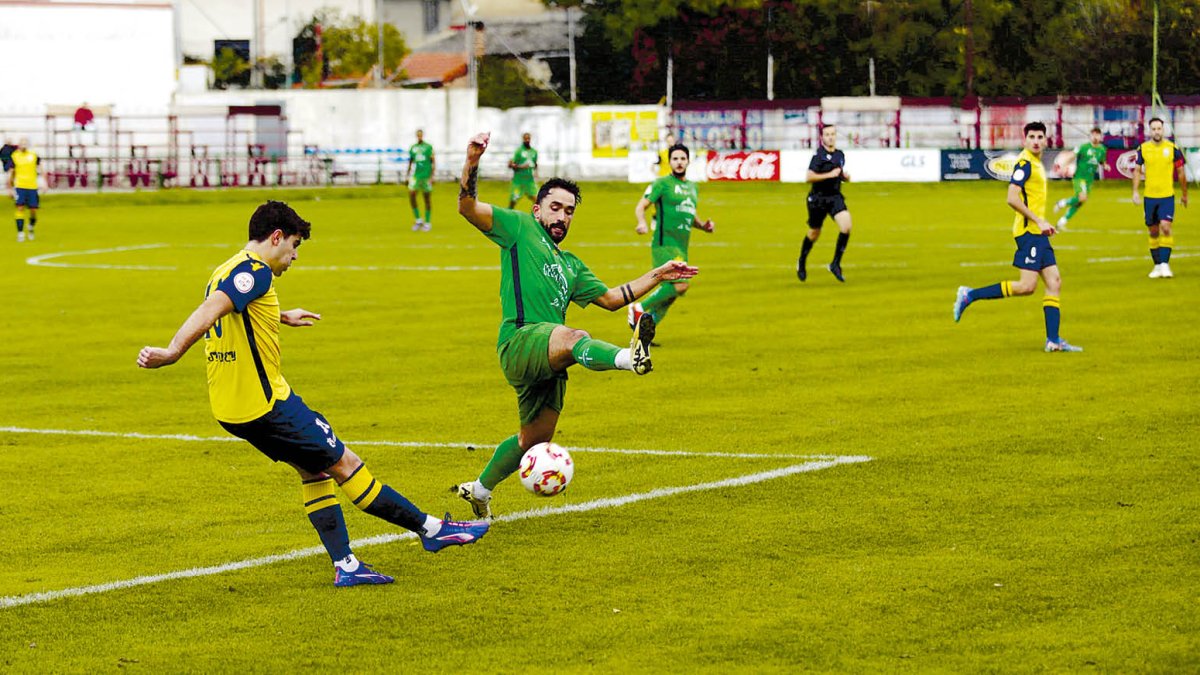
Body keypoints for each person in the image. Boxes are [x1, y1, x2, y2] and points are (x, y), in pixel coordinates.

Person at [136, 201, 489, 587]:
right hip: (266, 405)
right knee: (346, 464)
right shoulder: (255, 272)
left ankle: (347, 566)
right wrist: (172, 352)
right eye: (294, 245)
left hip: (231, 407)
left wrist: (277, 315)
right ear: (276, 237)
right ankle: (431, 530)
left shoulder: (227, 268)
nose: (295, 256)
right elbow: (211, 310)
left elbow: (232, 309)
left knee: (313, 470)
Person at [453, 132, 698, 520]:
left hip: (548, 358)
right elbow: (467, 207)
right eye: (555, 208)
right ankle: (628, 357)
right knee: (575, 336)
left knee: (532, 439)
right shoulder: (519, 228)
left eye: (569, 211)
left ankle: (479, 491)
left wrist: (658, 274)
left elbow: (613, 298)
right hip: (520, 339)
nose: (562, 216)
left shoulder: (571, 265)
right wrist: (472, 160)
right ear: (537, 209)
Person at [953, 122, 1082, 353]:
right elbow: (1011, 198)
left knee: (1054, 282)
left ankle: (1053, 341)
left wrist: (1042, 223)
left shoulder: (1036, 163)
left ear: (1045, 140)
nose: (1035, 141)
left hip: (1038, 233)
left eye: (1039, 137)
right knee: (1026, 286)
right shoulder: (1025, 163)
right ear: (1025, 140)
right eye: (1031, 136)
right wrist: (1039, 221)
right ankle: (969, 295)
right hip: (1028, 233)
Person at [628, 142, 714, 335]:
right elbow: (641, 206)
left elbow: (688, 213)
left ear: (688, 161)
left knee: (672, 293)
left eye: (683, 158)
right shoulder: (662, 184)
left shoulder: (693, 187)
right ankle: (638, 307)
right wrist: (641, 222)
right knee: (681, 285)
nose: (679, 162)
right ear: (670, 162)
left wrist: (704, 226)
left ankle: (644, 332)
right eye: (675, 159)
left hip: (681, 246)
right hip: (664, 244)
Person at [1131, 117, 1188, 279]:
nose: (1156, 131)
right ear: (1150, 131)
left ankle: (1165, 264)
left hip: (1167, 196)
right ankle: (1157, 266)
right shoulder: (1143, 149)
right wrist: (1135, 191)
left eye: (1159, 128)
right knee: (1154, 231)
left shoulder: (1172, 148)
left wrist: (1184, 194)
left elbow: (1181, 173)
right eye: (1154, 129)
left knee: (1166, 227)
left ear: (1163, 130)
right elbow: (1137, 171)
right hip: (1149, 197)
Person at [799, 124, 853, 283]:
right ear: (822, 137)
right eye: (827, 134)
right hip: (818, 199)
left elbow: (839, 174)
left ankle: (835, 264)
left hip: (834, 197)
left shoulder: (840, 155)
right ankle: (802, 261)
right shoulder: (818, 156)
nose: (830, 137)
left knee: (846, 226)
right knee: (814, 233)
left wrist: (845, 177)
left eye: (833, 134)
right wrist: (830, 174)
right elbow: (809, 177)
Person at [1054, 127, 1106, 230]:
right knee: (1082, 198)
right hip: (1079, 177)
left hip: (1089, 180)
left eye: (1097, 134)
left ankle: (1062, 221)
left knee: (1080, 202)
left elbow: (1102, 161)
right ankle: (1062, 203)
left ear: (1101, 137)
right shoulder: (1083, 147)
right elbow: (1072, 156)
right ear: (1090, 136)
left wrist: (1105, 166)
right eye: (1093, 134)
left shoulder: (1102, 149)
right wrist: (1064, 164)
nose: (1095, 137)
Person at [7, 137, 40, 242]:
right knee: (20, 208)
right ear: (19, 145)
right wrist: (9, 188)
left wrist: (44, 182)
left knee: (33, 210)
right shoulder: (15, 156)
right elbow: (11, 173)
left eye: (25, 143)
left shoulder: (33, 155)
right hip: (20, 186)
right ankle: (20, 233)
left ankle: (31, 226)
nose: (24, 145)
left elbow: (40, 168)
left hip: (32, 186)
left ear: (28, 145)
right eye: (22, 143)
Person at [405, 129, 435, 232]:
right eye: (418, 135)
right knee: (412, 194)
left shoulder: (428, 147)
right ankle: (418, 219)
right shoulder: (413, 148)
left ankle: (427, 222)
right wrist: (407, 175)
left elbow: (433, 162)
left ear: (423, 135)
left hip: (426, 176)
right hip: (416, 176)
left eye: (421, 135)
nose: (419, 137)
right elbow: (410, 162)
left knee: (427, 198)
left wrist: (432, 176)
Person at [507, 132, 539, 209]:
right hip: (518, 181)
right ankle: (508, 213)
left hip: (529, 181)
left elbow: (535, 164)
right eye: (525, 139)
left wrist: (536, 172)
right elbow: (510, 165)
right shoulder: (519, 151)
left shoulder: (534, 152)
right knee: (513, 201)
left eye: (528, 138)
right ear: (523, 139)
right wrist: (521, 166)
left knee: (537, 200)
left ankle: (534, 215)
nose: (527, 140)